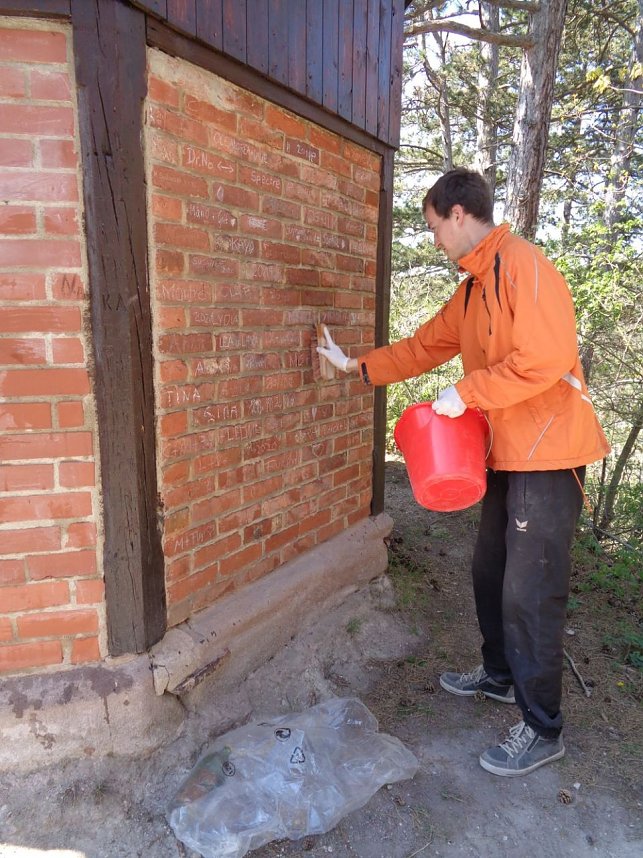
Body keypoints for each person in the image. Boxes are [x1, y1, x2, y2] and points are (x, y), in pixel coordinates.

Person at [317, 167, 609, 777]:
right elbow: (424, 345)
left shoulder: (522, 266)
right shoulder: (473, 287)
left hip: (551, 454)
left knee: (531, 592)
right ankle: (501, 676)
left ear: (457, 214)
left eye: (433, 228)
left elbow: (548, 359)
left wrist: (468, 391)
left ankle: (542, 727)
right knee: (490, 570)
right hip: (508, 451)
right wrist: (355, 365)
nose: (434, 241)